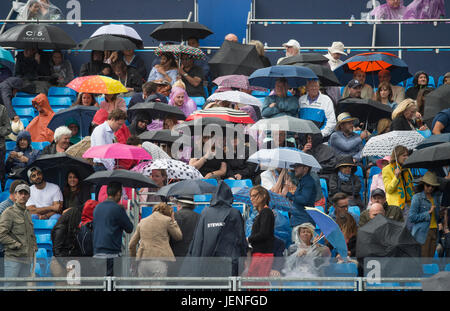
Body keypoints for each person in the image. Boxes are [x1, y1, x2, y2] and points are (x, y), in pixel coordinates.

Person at [185, 181, 248, 277]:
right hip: (229, 265)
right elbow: (241, 239)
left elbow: (198, 240)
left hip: (206, 264)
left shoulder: (205, 213)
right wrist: (242, 259)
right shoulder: (234, 213)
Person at [129, 202, 182, 281]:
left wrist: (134, 262)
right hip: (159, 262)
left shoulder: (142, 221)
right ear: (167, 213)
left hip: (142, 263)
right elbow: (178, 236)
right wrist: (173, 221)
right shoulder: (167, 220)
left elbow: (131, 245)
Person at [93, 182, 133, 276]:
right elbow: (129, 228)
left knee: (101, 285)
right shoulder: (118, 209)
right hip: (112, 253)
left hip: (97, 252)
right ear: (119, 193)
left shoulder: (97, 207)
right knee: (113, 285)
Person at [0, 184, 37, 288]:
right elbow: (1, 234)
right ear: (15, 195)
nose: (23, 196)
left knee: (22, 287)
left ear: (29, 196)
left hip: (26, 258)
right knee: (10, 287)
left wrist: (34, 246)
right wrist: (16, 245)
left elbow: (31, 234)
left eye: (26, 193)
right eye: (20, 193)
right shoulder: (9, 212)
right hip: (13, 258)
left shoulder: (27, 213)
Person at [409, 171, 442, 258]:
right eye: (428, 185)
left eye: (433, 186)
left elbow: (437, 217)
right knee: (423, 260)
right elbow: (412, 217)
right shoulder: (417, 197)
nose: (430, 188)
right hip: (423, 233)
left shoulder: (436, 198)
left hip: (435, 231)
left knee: (429, 260)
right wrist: (428, 213)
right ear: (423, 184)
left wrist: (441, 213)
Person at [246, 186, 275, 278]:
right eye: (250, 196)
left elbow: (264, 234)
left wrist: (248, 239)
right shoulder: (262, 213)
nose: (251, 199)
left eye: (254, 196)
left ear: (263, 196)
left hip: (263, 255)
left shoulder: (266, 212)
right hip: (259, 254)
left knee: (257, 284)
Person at [286, 162, 317, 242]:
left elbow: (304, 199)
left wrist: (288, 194)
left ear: (306, 168)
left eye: (297, 166)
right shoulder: (303, 181)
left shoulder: (308, 181)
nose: (294, 169)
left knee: (303, 252)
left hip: (304, 224)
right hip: (299, 221)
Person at [382, 145, 414, 213]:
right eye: (404, 155)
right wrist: (396, 177)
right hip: (396, 207)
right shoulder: (387, 169)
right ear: (397, 156)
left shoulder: (407, 168)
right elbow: (388, 189)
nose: (406, 157)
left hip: (409, 204)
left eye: (407, 155)